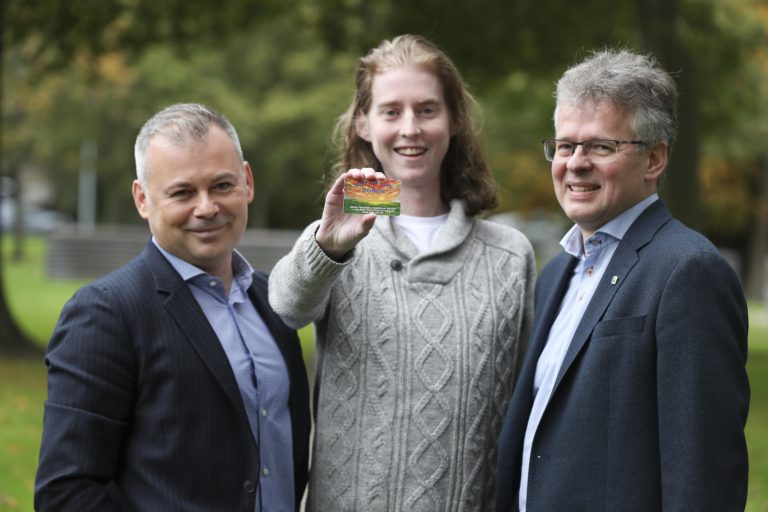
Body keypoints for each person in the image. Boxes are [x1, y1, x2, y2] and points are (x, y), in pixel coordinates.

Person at [268, 34, 536, 511]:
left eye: (427, 110)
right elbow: (287, 308)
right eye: (391, 111)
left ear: (454, 120)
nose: (410, 127)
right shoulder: (339, 238)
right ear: (364, 124)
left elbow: (523, 407)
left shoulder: (509, 255)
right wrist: (326, 248)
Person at [495, 49, 750, 511]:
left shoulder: (687, 271)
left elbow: (703, 474)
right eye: (565, 145)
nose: (575, 163)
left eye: (600, 146)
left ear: (654, 159)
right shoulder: (556, 273)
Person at [34, 103, 311, 511]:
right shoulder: (105, 313)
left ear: (247, 182)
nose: (207, 207)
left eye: (222, 185)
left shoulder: (275, 300)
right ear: (143, 199)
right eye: (183, 192)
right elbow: (67, 493)